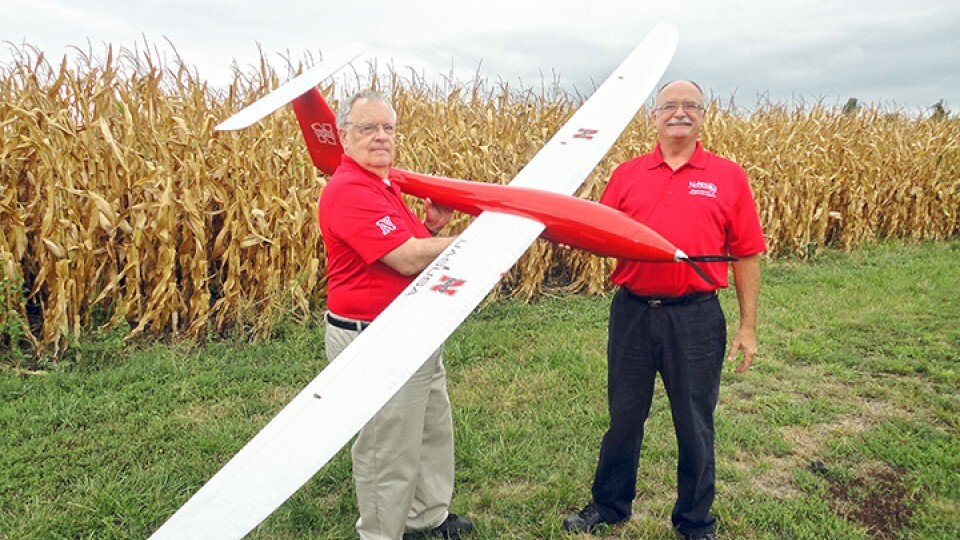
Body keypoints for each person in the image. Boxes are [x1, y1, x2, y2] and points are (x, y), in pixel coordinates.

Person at [562, 80, 766, 540]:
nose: (679, 113)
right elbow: (595, 233)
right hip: (633, 313)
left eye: (689, 106)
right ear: (653, 117)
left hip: (695, 318)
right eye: (669, 106)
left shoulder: (727, 175)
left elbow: (747, 252)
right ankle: (610, 504)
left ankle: (695, 521)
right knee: (624, 416)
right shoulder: (628, 173)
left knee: (694, 423)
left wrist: (748, 326)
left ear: (702, 116)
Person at [319, 89, 474, 540]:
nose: (380, 136)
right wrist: (481, 238)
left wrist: (431, 230)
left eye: (388, 128)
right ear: (345, 137)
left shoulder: (383, 185)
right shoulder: (349, 190)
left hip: (412, 326)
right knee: (388, 446)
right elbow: (405, 259)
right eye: (367, 128)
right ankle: (383, 534)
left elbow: (404, 247)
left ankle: (426, 518)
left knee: (428, 427)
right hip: (374, 336)